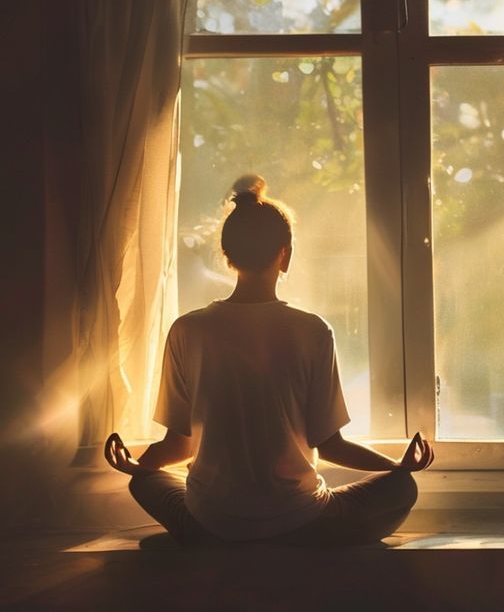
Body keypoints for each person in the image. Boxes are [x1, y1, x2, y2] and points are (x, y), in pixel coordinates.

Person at [104, 174, 433, 546]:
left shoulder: (186, 330)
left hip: (210, 524)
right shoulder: (313, 331)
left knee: (145, 481)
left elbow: (179, 447)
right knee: (401, 488)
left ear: (227, 256)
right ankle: (299, 542)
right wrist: (396, 466)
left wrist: (134, 466)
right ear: (285, 254)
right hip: (300, 520)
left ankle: (217, 541)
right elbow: (329, 445)